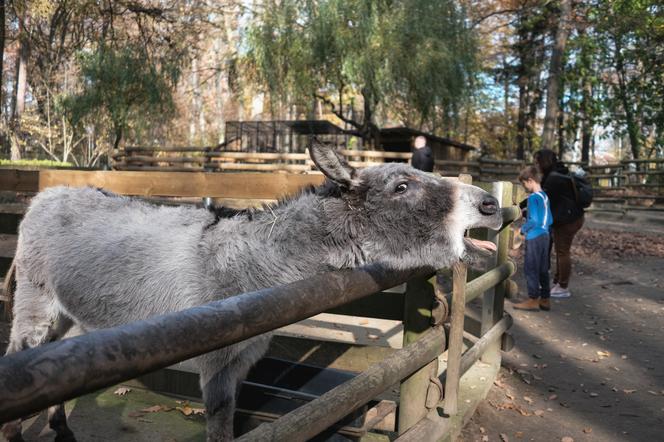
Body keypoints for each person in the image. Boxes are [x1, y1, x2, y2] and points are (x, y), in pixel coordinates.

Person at [534, 149, 584, 298]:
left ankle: (563, 287)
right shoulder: (558, 173)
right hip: (568, 218)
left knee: (563, 251)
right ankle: (558, 282)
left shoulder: (554, 178)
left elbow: (543, 199)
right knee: (561, 250)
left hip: (568, 220)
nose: (536, 165)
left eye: (537, 161)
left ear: (544, 161)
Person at [514, 166, 553, 311]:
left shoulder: (532, 198)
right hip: (545, 235)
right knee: (543, 268)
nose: (524, 187)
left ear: (530, 181)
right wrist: (526, 213)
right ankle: (545, 299)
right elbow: (548, 219)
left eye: (524, 184)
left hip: (534, 237)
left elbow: (534, 221)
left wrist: (522, 230)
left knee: (531, 268)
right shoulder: (544, 196)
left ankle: (533, 299)